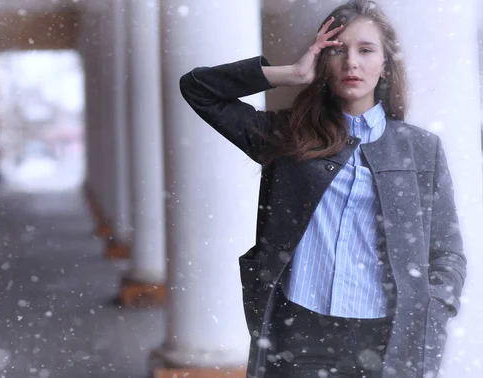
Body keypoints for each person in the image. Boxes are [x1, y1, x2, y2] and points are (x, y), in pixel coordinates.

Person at [179, 1, 466, 377]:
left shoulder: (420, 149)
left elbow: (446, 252)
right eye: (337, 50)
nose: (351, 63)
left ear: (385, 66)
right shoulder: (289, 137)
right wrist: (291, 72)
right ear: (322, 63)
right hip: (300, 331)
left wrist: (433, 307)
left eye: (366, 50)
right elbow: (198, 89)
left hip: (386, 337)